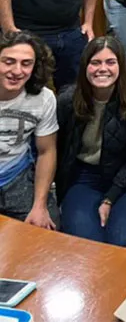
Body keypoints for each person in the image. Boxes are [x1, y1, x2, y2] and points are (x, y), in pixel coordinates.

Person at [56, 36, 126, 247]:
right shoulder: (67, 100)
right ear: (85, 66)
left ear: (121, 65)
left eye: (110, 62)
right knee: (87, 244)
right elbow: (58, 151)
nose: (103, 69)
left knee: (123, 242)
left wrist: (110, 197)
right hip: (85, 177)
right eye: (95, 62)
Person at [0, 31, 57, 227]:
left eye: (26, 64)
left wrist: (39, 205)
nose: (17, 71)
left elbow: (46, 151)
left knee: (48, 232)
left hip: (17, 177)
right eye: (8, 61)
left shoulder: (44, 98)